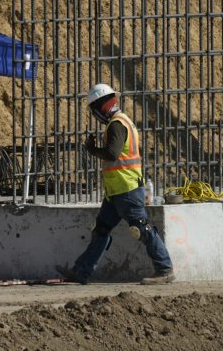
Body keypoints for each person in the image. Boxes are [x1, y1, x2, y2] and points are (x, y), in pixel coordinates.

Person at [55, 83, 174, 285]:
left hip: (127, 189)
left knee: (141, 228)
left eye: (94, 110)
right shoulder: (123, 121)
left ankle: (164, 268)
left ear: (102, 106)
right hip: (116, 192)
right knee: (101, 229)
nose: (95, 115)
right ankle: (81, 271)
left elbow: (112, 153)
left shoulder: (116, 124)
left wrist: (93, 150)